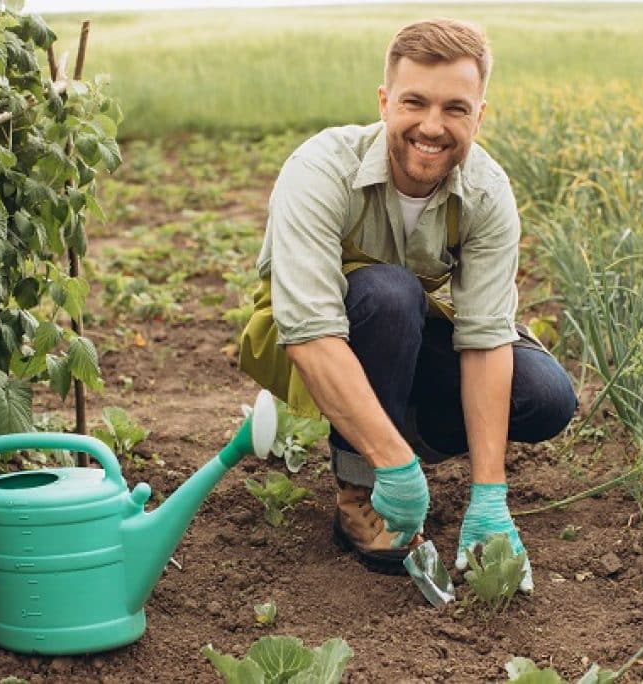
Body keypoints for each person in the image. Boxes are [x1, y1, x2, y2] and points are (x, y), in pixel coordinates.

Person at [238, 18, 577, 592]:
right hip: (317, 342)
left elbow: (487, 337)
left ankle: (395, 437)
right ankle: (359, 484)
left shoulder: (487, 192)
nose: (432, 126)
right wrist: (391, 467)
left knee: (545, 397)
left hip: (413, 337)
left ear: (479, 115)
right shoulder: (322, 169)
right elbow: (310, 332)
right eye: (415, 102)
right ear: (384, 100)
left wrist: (490, 496)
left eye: (455, 109)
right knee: (388, 293)